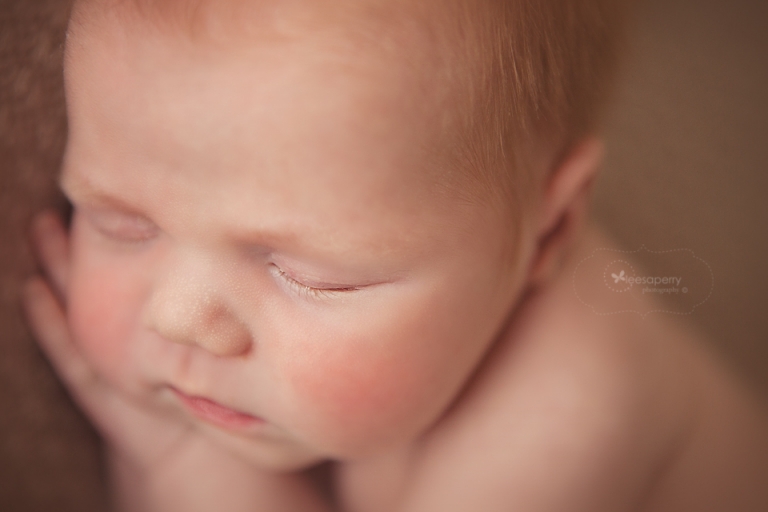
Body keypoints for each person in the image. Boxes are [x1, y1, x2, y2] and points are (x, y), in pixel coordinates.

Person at [21, 0, 768, 510]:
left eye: (313, 276)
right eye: (120, 223)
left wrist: (193, 470)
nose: (179, 318)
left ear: (547, 230)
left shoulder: (565, 417)